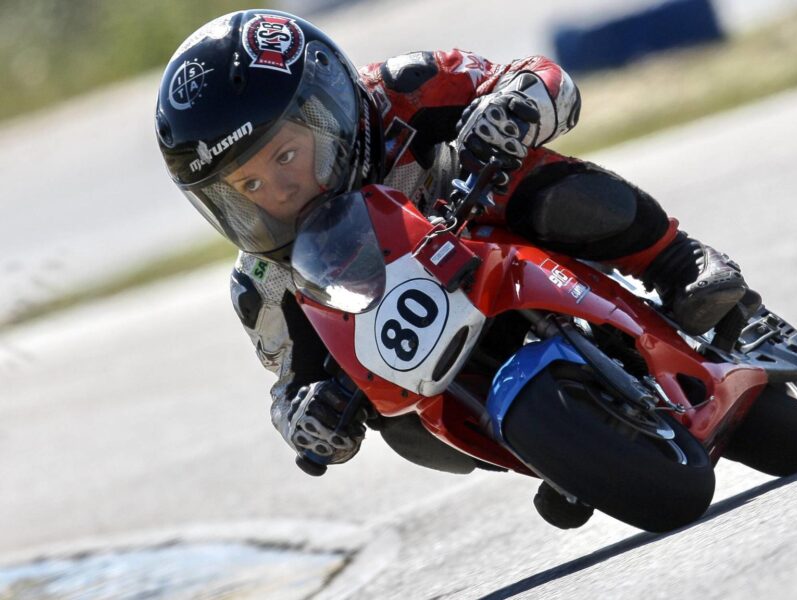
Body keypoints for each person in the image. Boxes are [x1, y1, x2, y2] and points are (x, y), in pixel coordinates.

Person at [155, 10, 749, 489]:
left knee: (540, 187)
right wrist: (307, 419)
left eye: (285, 156)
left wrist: (511, 111)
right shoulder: (262, 286)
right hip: (416, 344)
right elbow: (288, 390)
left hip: (486, 225)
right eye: (248, 187)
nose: (279, 191)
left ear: (327, 109)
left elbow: (545, 78)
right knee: (392, 423)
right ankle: (552, 448)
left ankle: (681, 262)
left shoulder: (403, 86)